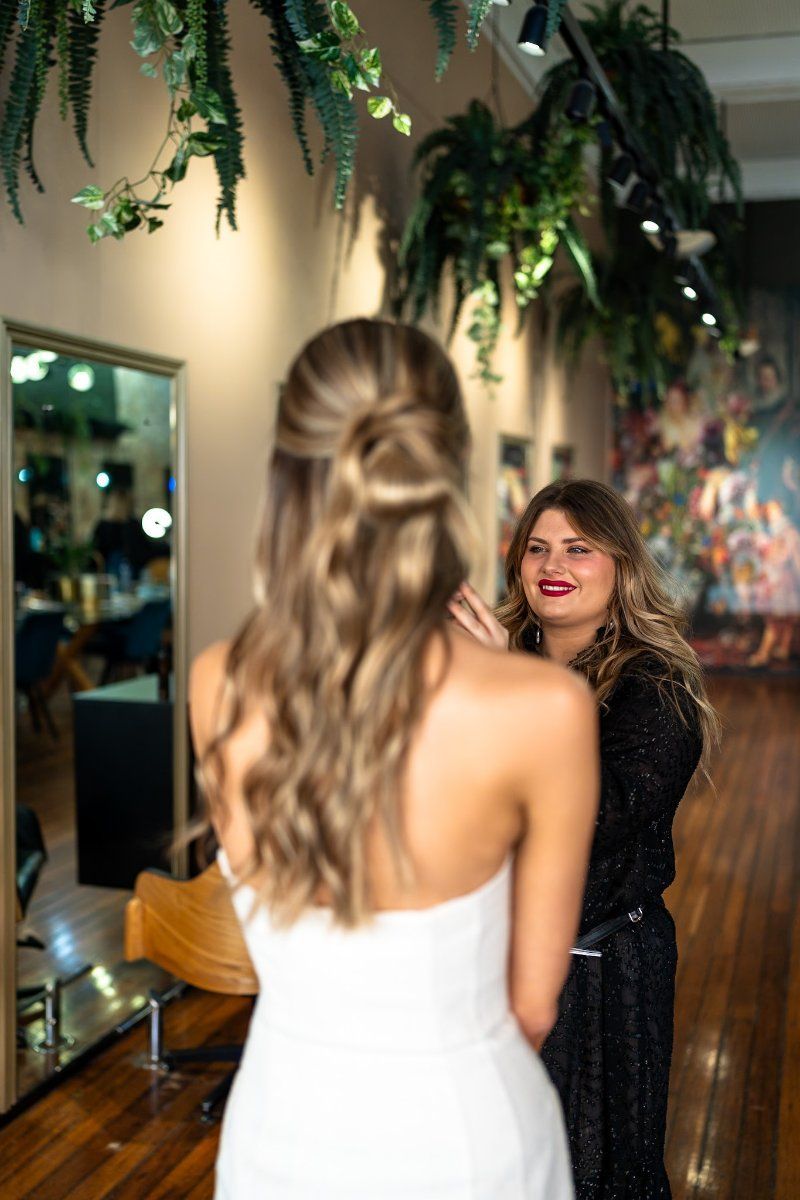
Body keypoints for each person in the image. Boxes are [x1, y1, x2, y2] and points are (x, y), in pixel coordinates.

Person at [189, 320, 600, 1199]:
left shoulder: (218, 681)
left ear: (288, 471)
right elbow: (532, 1008)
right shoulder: (545, 708)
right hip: (468, 1141)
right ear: (447, 475)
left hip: (280, 1132)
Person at [448, 479, 719, 1200]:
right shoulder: (483, 666)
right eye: (536, 548)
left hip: (602, 970)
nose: (551, 564)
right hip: (483, 954)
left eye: (577, 548)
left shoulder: (656, 690)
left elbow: (585, 825)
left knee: (594, 1171)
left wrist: (504, 690)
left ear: (621, 565)